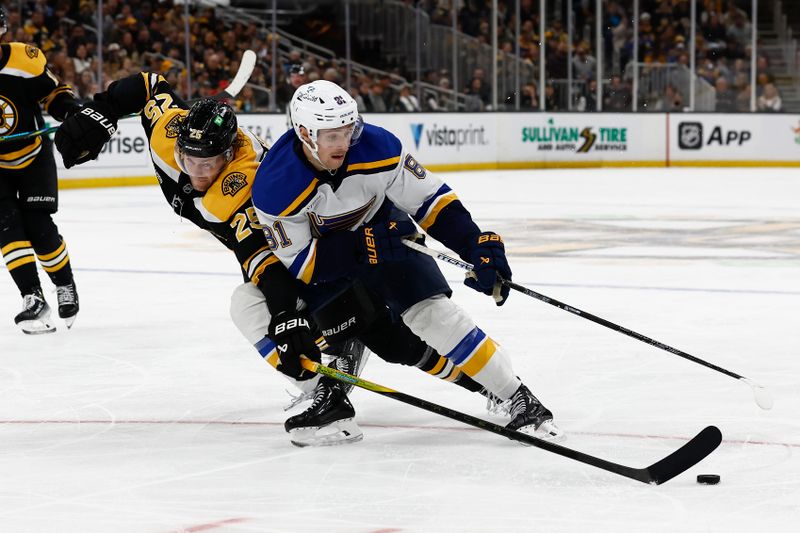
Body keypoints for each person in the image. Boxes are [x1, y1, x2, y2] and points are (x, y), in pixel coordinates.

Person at [53, 72, 486, 447]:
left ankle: (480, 382)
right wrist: (100, 111)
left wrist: (285, 311)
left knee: (378, 334)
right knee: (312, 325)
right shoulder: (171, 133)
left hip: (311, 242)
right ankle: (329, 388)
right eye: (189, 159)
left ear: (228, 157)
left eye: (209, 163)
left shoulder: (246, 185)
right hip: (276, 244)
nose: (196, 172)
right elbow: (148, 87)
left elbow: (264, 255)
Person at [250, 80, 562, 440]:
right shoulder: (275, 185)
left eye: (349, 130)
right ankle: (328, 386)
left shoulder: (377, 146)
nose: (344, 143)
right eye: (332, 135)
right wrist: (360, 248)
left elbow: (430, 200)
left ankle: (517, 396)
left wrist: (473, 243)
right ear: (305, 133)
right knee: (258, 309)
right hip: (328, 264)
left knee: (434, 316)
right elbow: (302, 264)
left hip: (383, 232)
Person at [0, 8, 80, 334]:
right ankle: (32, 297)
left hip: (33, 156)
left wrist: (70, 111)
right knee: (7, 227)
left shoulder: (23, 59)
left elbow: (53, 93)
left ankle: (65, 284)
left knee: (38, 226)